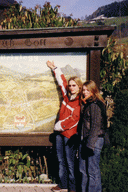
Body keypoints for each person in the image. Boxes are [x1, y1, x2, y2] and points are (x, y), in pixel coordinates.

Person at [46, 60, 82, 192]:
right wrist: (54, 68)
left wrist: (59, 126)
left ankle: (72, 187)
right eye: (71, 85)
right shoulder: (66, 97)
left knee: (70, 161)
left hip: (70, 135)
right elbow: (61, 81)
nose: (71, 87)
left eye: (74, 85)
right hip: (60, 135)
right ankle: (63, 184)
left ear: (79, 87)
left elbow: (75, 119)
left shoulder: (79, 101)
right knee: (61, 160)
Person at [79, 80, 107, 192]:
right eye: (84, 90)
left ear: (93, 90)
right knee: (83, 170)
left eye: (88, 90)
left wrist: (90, 145)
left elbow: (95, 126)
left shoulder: (95, 105)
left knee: (92, 171)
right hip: (85, 140)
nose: (85, 92)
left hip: (93, 141)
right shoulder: (88, 103)